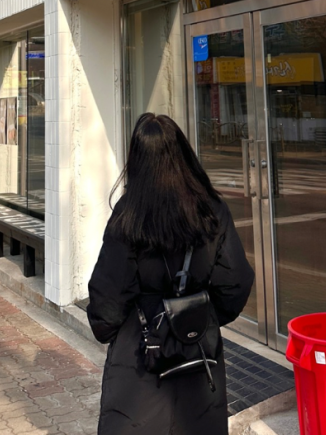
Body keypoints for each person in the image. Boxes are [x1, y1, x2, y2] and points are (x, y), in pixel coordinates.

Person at [87, 113, 254, 435]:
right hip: (198, 344)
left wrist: (108, 329)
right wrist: (201, 316)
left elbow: (110, 289)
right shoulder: (211, 208)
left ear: (137, 158)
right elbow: (235, 280)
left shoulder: (129, 212)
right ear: (183, 152)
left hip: (140, 347)